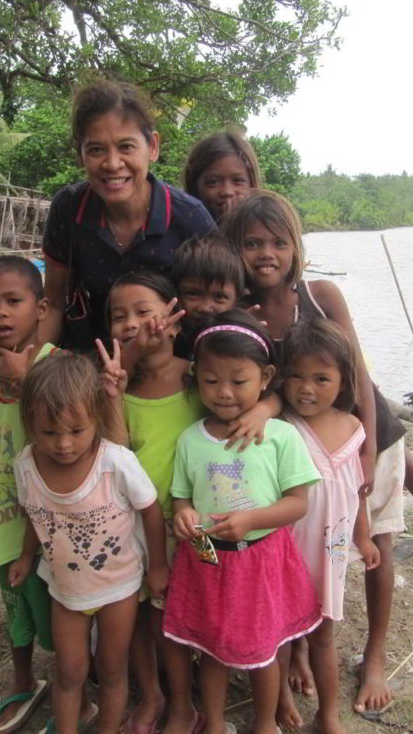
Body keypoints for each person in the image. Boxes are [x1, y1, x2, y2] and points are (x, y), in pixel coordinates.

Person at [220, 192, 413, 722]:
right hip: (300, 449)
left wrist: (368, 456)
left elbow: (358, 376)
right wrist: (266, 406)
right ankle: (301, 652)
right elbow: (262, 384)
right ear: (236, 250)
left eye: (278, 242)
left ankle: (375, 655)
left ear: (297, 248)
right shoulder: (243, 313)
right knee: (297, 552)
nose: (266, 253)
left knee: (377, 539)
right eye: (252, 243)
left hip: (361, 430)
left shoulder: (320, 295)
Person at [99, 272, 279, 734]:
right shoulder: (120, 386)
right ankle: (165, 699)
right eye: (120, 317)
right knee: (148, 613)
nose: (134, 323)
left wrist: (263, 408)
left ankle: (191, 700)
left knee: (189, 612)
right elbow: (119, 453)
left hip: (193, 528)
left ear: (175, 319)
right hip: (137, 525)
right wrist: (115, 393)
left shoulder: (198, 377)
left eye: (145, 312)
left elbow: (254, 391)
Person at [163, 311, 321, 734]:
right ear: (196, 376)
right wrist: (184, 515)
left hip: (262, 560)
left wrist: (252, 518)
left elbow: (297, 503)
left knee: (264, 651)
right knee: (212, 651)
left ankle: (264, 722)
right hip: (208, 563)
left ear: (266, 376)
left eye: (239, 380)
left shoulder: (281, 436)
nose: (225, 393)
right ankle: (213, 722)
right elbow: (181, 495)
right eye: (212, 381)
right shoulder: (191, 439)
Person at [13, 354, 168, 734]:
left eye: (76, 431)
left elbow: (150, 511)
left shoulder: (115, 463)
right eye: (49, 433)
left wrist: (159, 566)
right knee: (69, 674)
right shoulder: (26, 466)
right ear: (30, 424)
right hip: (65, 591)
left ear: (97, 418)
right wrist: (25, 555)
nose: (64, 444)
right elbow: (35, 514)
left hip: (119, 588)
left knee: (112, 670)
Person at [39, 80, 216, 349]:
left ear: (153, 147)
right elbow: (53, 304)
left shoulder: (190, 218)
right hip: (87, 364)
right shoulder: (69, 208)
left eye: (126, 147)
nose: (112, 164)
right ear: (81, 155)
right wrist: (31, 367)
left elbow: (217, 301)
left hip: (170, 369)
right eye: (96, 150)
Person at [0, 255, 57, 734]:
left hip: (53, 525)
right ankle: (24, 676)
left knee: (62, 614)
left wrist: (28, 381)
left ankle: (73, 690)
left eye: (13, 301)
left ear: (40, 309)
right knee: (15, 604)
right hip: (5, 519)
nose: (0, 313)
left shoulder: (57, 367)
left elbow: (70, 441)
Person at [281, 319, 380, 734]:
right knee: (280, 635)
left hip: (332, 554)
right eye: (297, 376)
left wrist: (363, 535)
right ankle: (279, 699)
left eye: (321, 378)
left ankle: (329, 714)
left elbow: (356, 489)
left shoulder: (353, 428)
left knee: (325, 636)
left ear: (342, 382)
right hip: (286, 553)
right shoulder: (280, 429)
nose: (307, 388)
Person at [170, 235, 243, 358]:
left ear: (237, 300)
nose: (205, 307)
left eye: (219, 297)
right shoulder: (168, 344)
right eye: (193, 294)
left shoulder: (244, 346)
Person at [183, 130, 261, 220]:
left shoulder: (268, 228)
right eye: (213, 182)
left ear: (252, 184)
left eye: (238, 180)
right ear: (194, 187)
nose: (227, 191)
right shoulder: (177, 230)